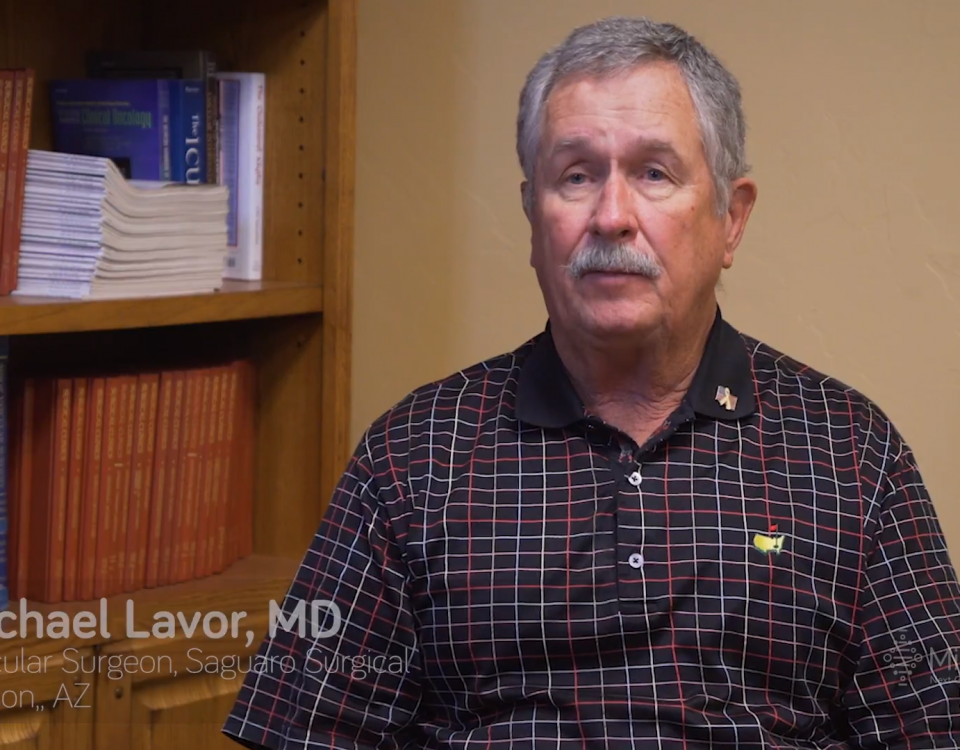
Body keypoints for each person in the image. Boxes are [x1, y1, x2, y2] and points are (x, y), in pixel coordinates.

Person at [223, 16, 960, 749]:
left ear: (731, 219)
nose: (611, 217)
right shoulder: (414, 454)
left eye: (654, 174)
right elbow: (305, 729)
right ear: (532, 216)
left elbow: (934, 726)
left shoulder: (850, 451)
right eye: (576, 176)